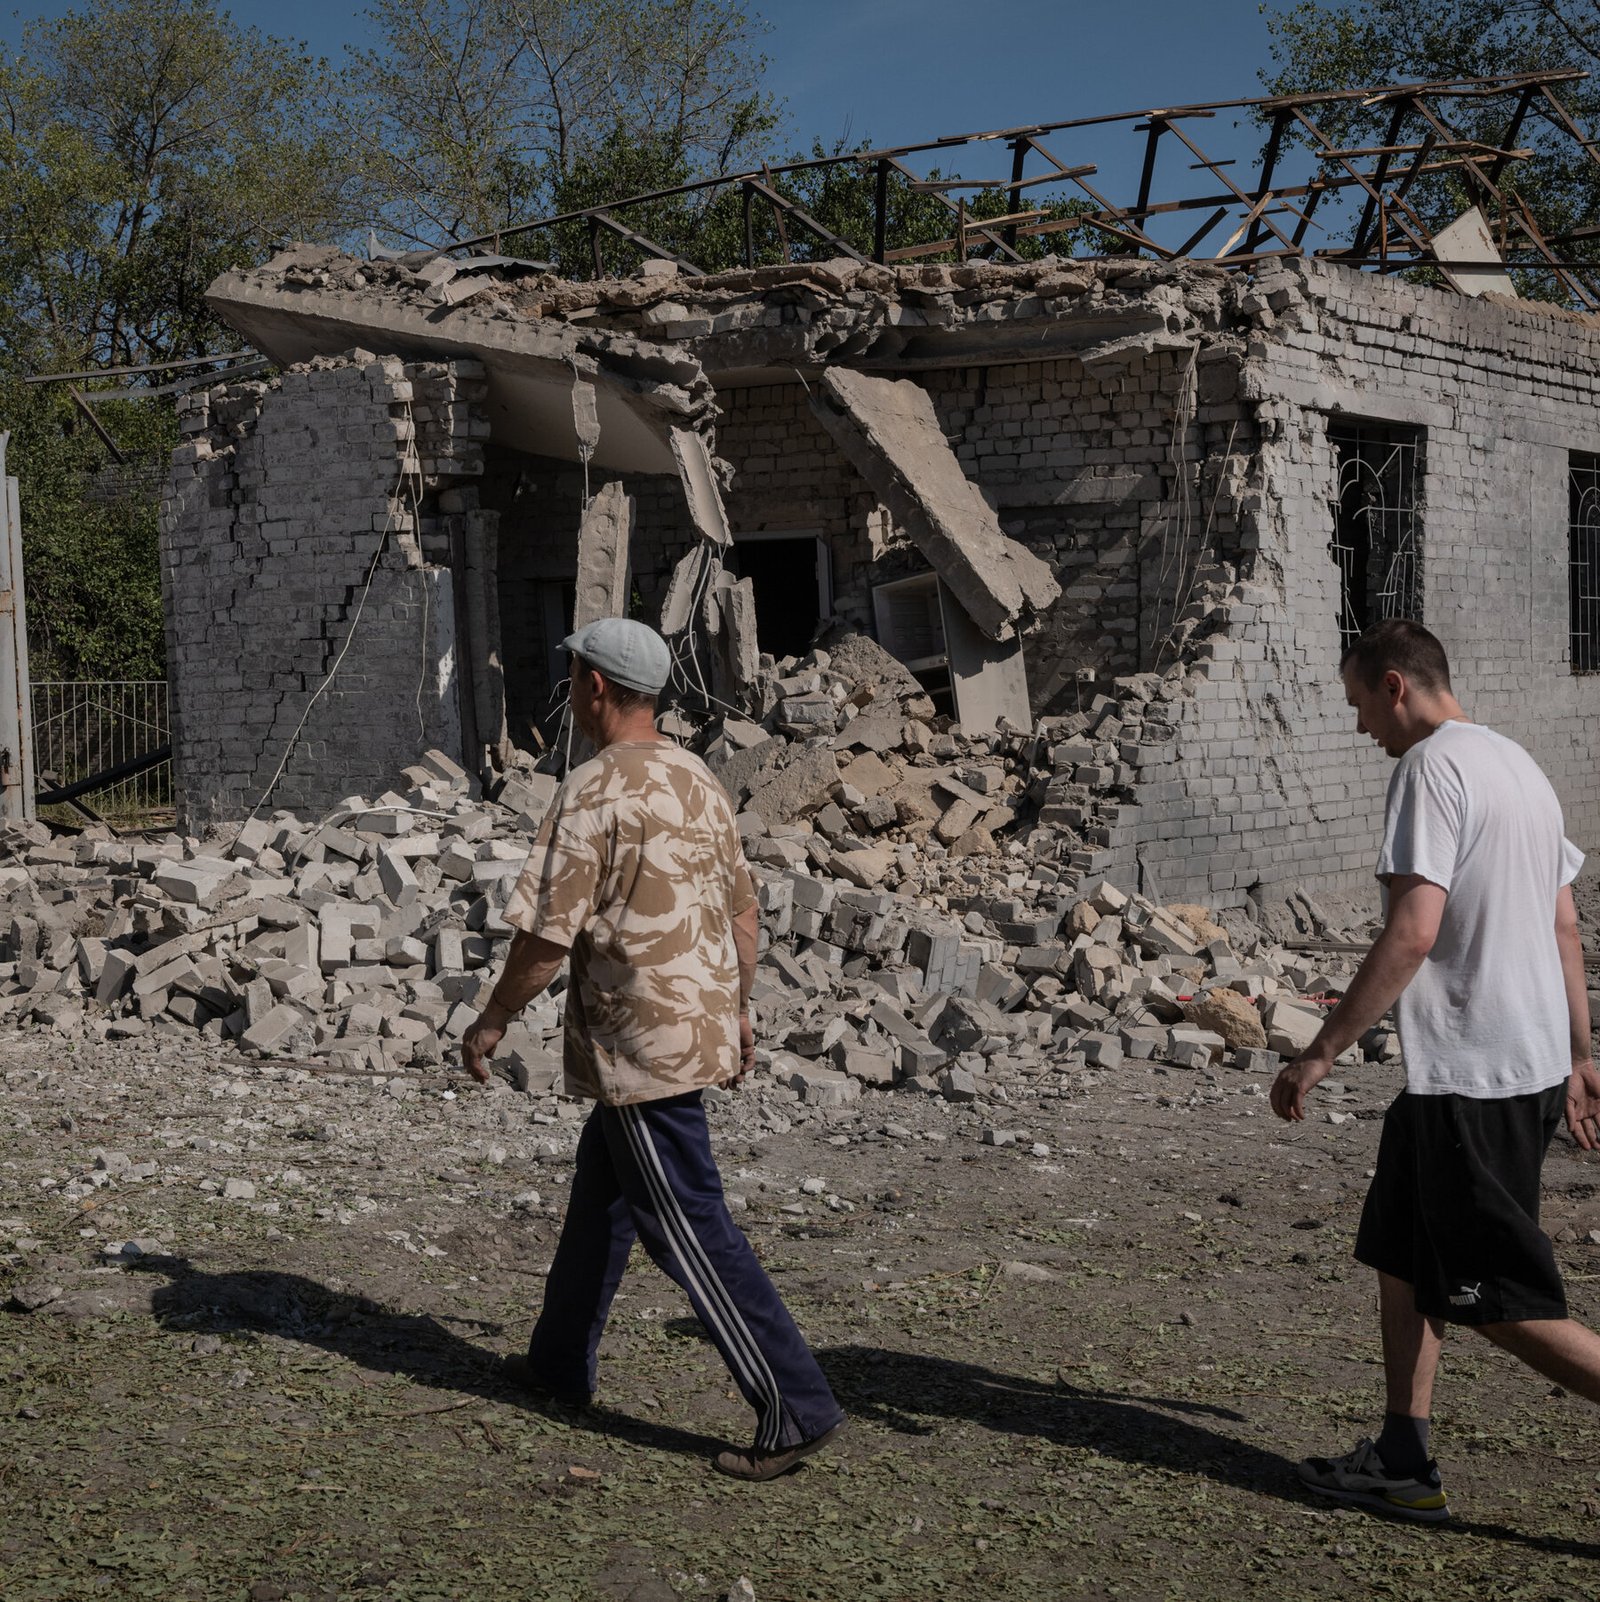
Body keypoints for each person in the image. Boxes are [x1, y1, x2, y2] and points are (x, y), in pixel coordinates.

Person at [459, 616, 845, 1481]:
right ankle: (558, 1365)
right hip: (693, 1026)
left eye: (572, 678)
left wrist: (491, 1019)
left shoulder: (593, 790)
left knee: (685, 1223)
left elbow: (546, 937)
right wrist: (737, 1008)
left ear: (595, 686)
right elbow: (743, 909)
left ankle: (798, 1406)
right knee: (603, 1197)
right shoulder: (697, 776)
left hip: (642, 1045)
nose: (570, 693)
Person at [1269, 619, 1600, 1522]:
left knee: (1498, 1302)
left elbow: (1413, 932)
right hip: (1498, 1069)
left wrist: (1321, 1050)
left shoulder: (1430, 768)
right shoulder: (1519, 766)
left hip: (1476, 1078)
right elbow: (1565, 925)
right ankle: (1403, 1458)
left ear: (1395, 686)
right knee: (1403, 1254)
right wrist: (1578, 1053)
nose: (1360, 727)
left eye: (1358, 705)